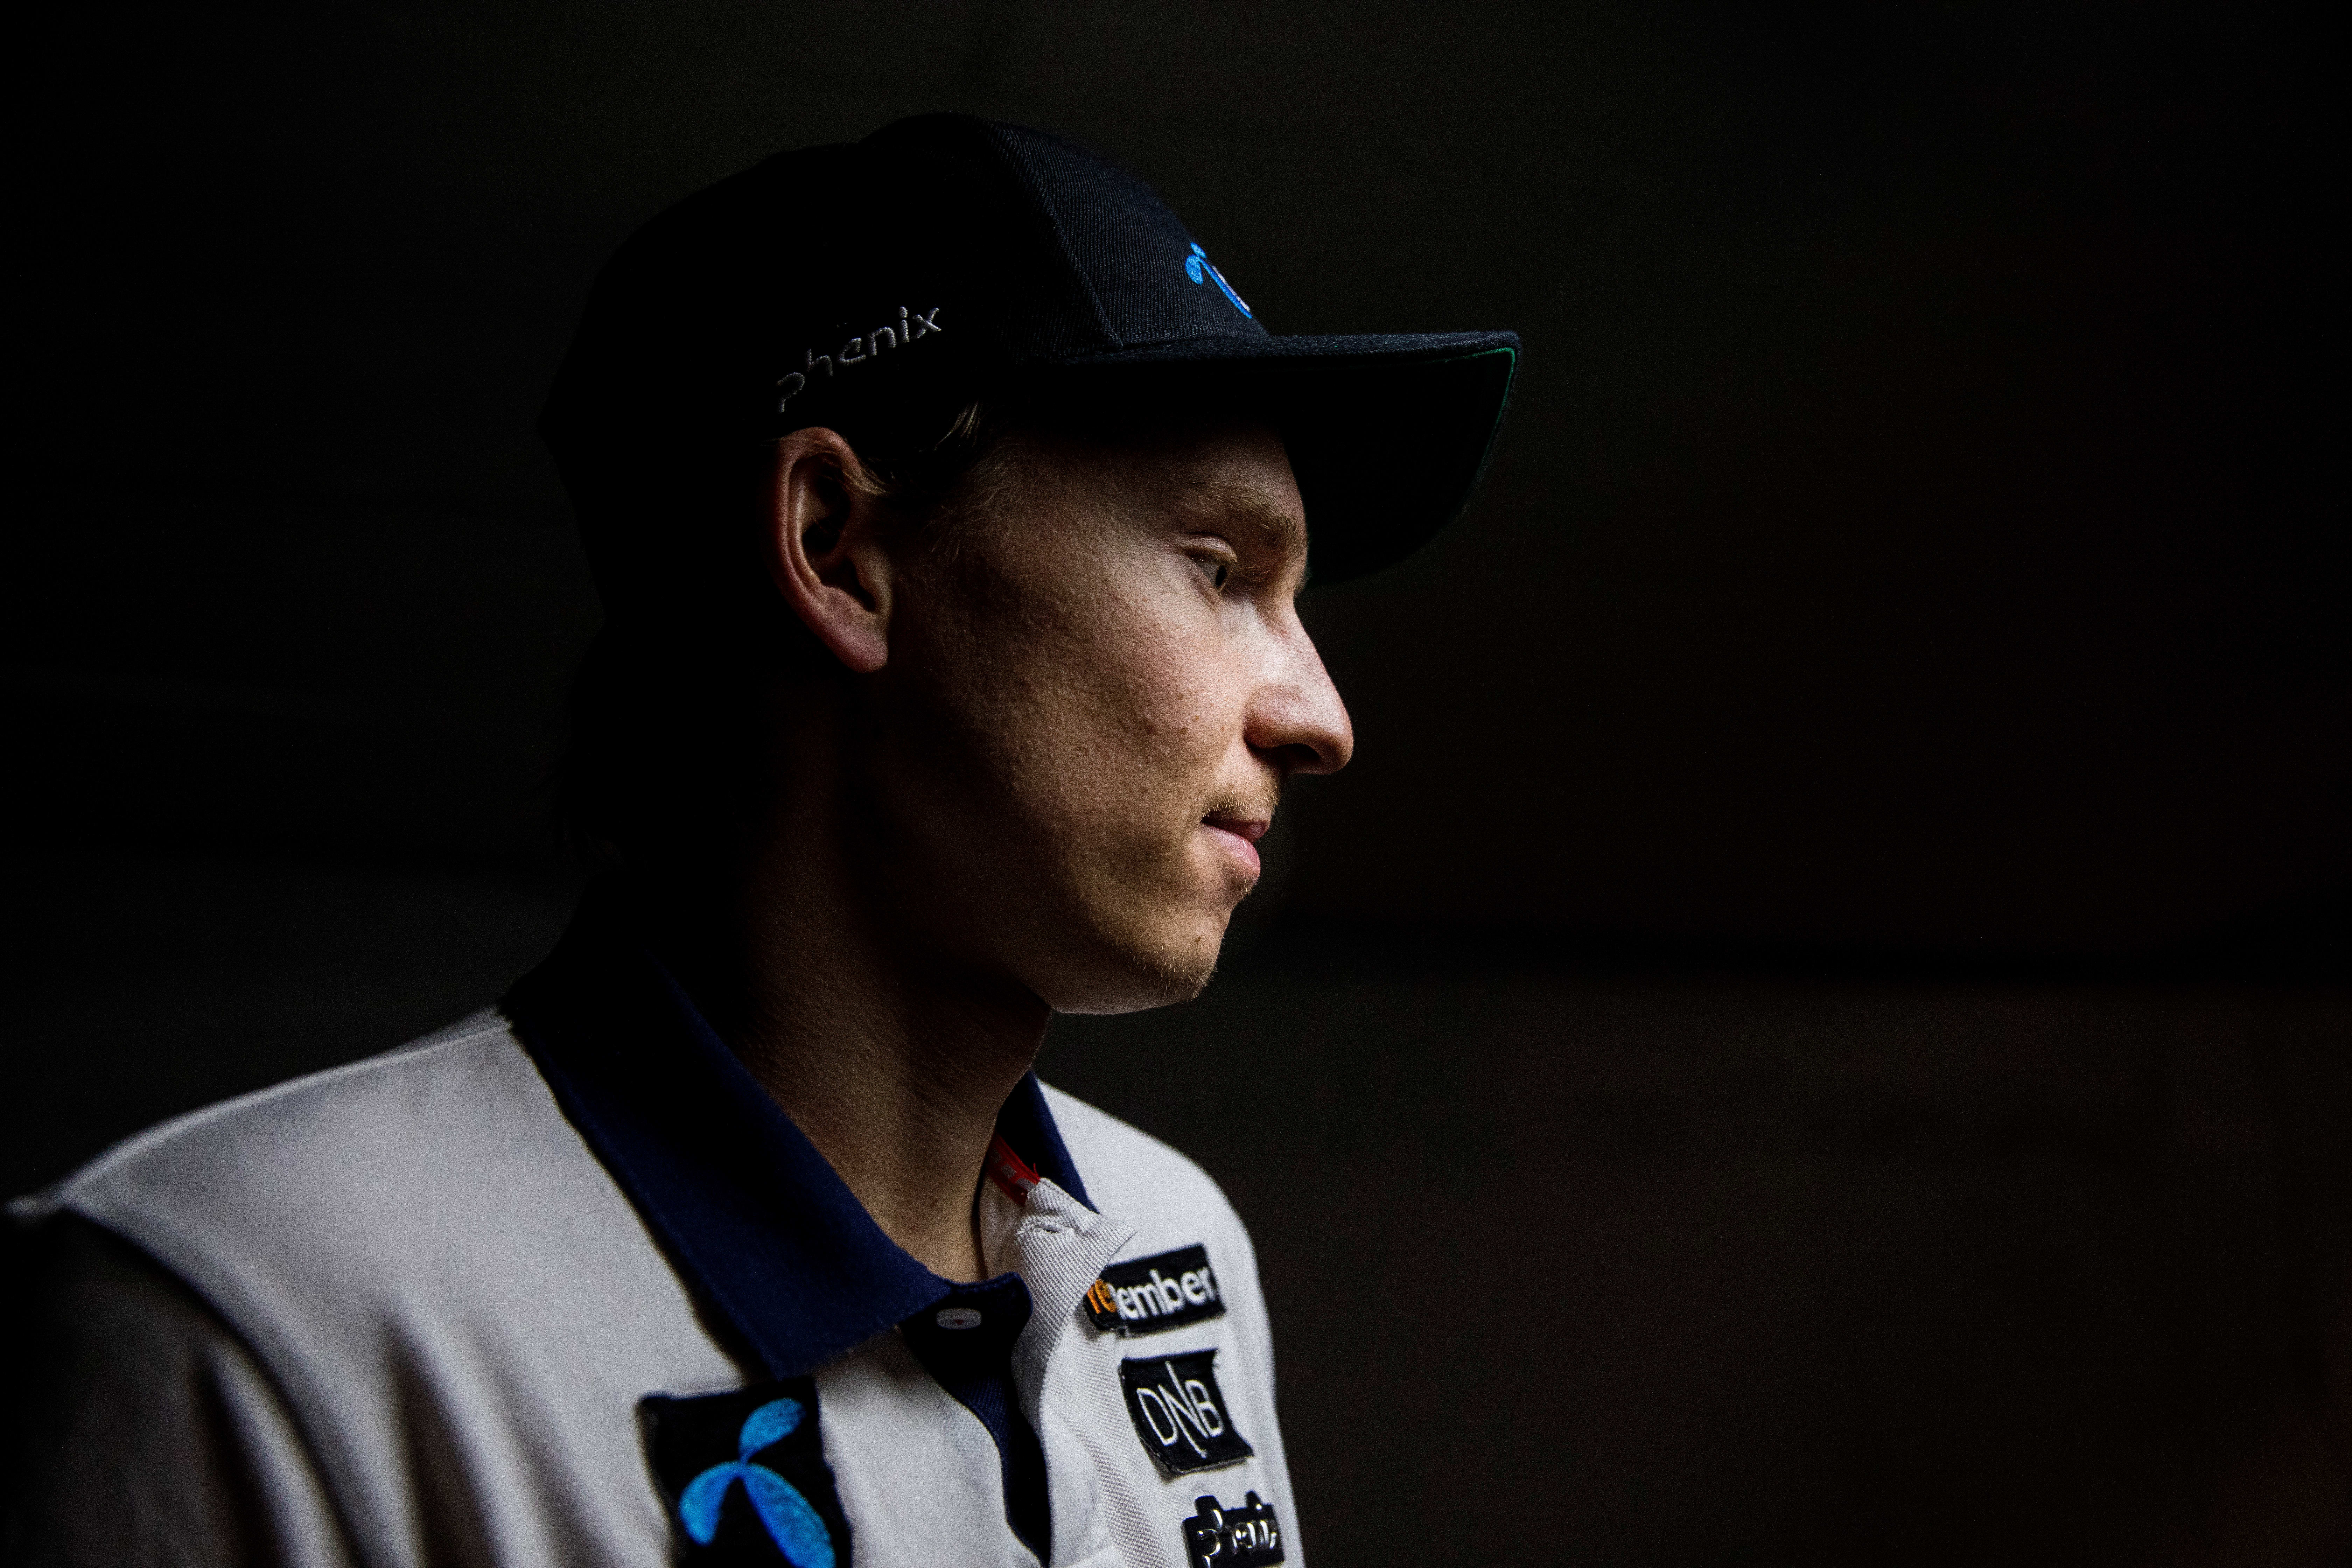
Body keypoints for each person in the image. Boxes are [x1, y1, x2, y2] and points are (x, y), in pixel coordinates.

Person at [2, 113, 1516, 1568]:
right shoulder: (243, 1309)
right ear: (837, 550)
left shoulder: (1174, 1245)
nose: (1322, 716)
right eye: (1220, 569)